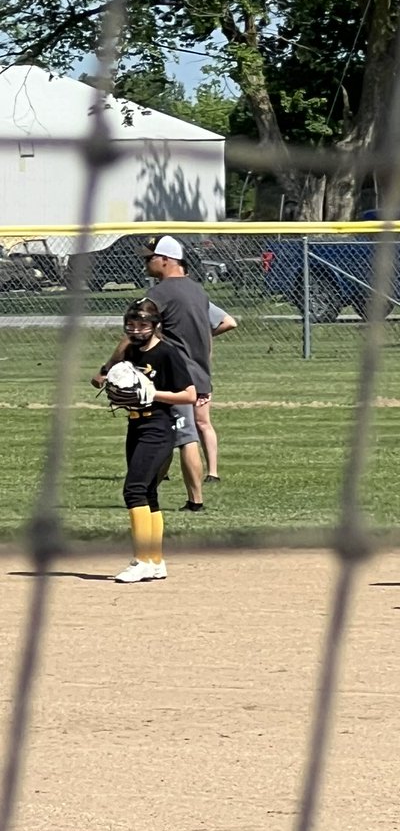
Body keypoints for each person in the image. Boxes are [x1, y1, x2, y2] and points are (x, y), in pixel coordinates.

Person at [92, 235, 233, 511]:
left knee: (186, 437)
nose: (146, 262)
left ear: (166, 260)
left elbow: (135, 332)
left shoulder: (160, 293)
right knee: (168, 436)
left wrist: (106, 369)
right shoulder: (198, 291)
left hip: (175, 378)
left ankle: (195, 501)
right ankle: (149, 490)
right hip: (199, 373)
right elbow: (217, 328)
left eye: (150, 258)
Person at [110, 299, 196, 583]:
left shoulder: (167, 354)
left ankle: (141, 559)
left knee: (133, 490)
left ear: (156, 326)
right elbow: (111, 379)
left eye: (143, 325)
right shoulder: (130, 351)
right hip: (136, 424)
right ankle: (156, 561)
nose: (136, 330)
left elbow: (189, 395)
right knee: (148, 493)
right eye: (131, 325)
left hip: (158, 427)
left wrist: (154, 393)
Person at [198, 301, 238, 483]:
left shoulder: (196, 302)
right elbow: (229, 322)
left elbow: (230, 322)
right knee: (202, 422)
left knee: (199, 421)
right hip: (199, 370)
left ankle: (213, 471)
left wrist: (202, 337)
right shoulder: (198, 300)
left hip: (191, 370)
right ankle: (212, 472)